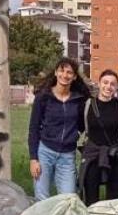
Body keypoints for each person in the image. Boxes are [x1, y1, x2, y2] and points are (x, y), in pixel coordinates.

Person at [28, 57, 89, 199]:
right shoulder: (43, 97)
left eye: (69, 72)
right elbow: (34, 128)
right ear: (56, 72)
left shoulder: (78, 100)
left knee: (68, 199)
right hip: (45, 153)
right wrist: (33, 159)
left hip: (67, 156)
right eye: (62, 71)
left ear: (74, 77)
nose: (65, 75)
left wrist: (73, 134)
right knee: (42, 198)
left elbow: (82, 124)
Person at [80, 69, 118, 205]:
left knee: (114, 198)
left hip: (113, 155)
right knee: (91, 198)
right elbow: (78, 127)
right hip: (93, 154)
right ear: (99, 84)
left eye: (112, 84)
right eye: (105, 82)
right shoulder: (88, 105)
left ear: (116, 87)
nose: (108, 87)